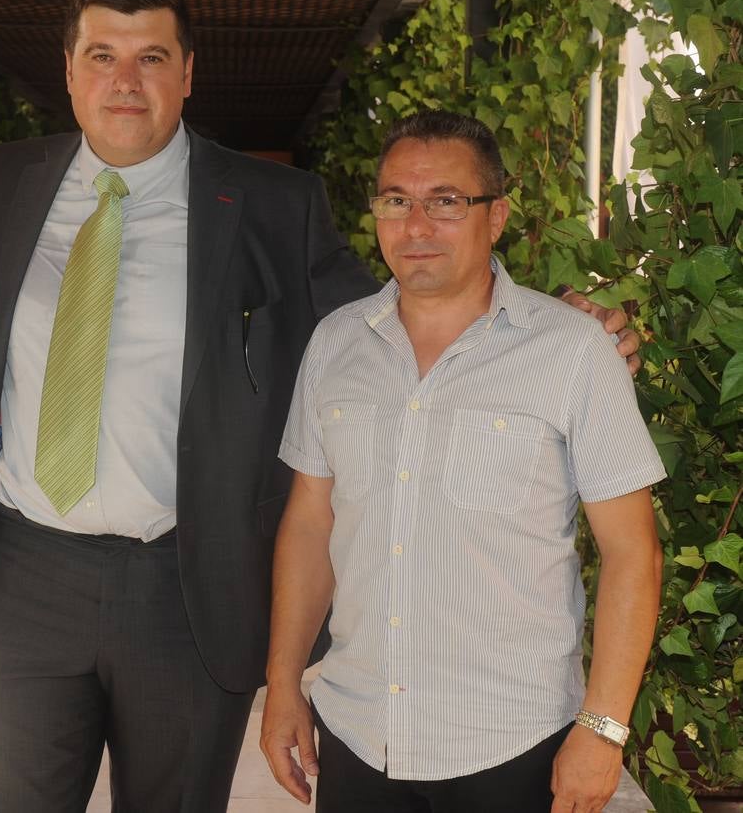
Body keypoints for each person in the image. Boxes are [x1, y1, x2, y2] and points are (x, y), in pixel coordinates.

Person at [0, 0, 639, 811]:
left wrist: (553, 326)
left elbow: (402, 300)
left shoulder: (271, 203)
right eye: (102, 56)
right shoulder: (1, 186)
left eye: (151, 57)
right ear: (68, 68)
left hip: (182, 587)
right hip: (25, 572)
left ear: (188, 73)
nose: (125, 82)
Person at [261, 111, 664, 813]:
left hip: (513, 744)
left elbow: (632, 553)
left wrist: (601, 730)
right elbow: (308, 524)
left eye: (445, 202)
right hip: (359, 733)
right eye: (395, 201)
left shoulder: (572, 352)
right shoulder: (334, 345)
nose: (416, 227)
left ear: (496, 215)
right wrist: (284, 682)